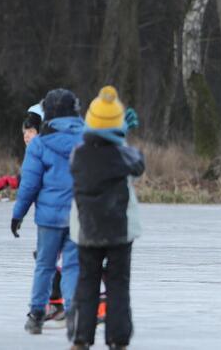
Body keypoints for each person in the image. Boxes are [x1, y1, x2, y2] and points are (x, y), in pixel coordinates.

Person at [68, 86, 144, 350]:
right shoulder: (122, 155)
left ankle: (81, 338)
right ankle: (118, 339)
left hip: (87, 231)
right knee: (118, 286)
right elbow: (138, 165)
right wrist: (123, 136)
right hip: (119, 232)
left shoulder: (78, 155)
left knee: (86, 283)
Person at [11, 89, 83, 334]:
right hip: (78, 215)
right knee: (73, 265)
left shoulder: (39, 145)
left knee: (45, 264)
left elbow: (29, 185)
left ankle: (37, 313)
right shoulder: (87, 140)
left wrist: (18, 214)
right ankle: (73, 310)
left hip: (49, 218)